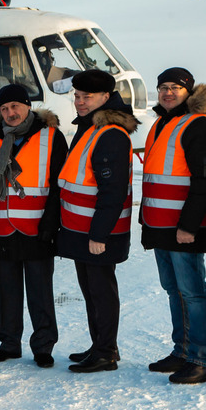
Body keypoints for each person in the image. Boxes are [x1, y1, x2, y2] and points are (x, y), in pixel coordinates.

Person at [0, 83, 68, 368]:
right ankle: (9, 343)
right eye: (5, 108)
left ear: (28, 106)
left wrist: (51, 222)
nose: (11, 113)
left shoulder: (51, 137)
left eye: (16, 107)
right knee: (6, 292)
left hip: (37, 228)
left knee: (40, 293)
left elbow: (60, 184)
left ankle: (43, 346)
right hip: (0, 228)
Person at [139, 68, 206, 384]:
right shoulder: (162, 123)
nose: (168, 93)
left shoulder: (200, 125)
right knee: (174, 290)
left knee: (193, 292)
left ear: (189, 92)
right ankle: (182, 351)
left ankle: (200, 360)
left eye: (175, 87)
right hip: (161, 224)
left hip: (184, 227)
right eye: (163, 87)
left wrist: (189, 226)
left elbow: (205, 181)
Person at [58, 69, 138, 373]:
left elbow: (113, 190)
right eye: (76, 96)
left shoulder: (111, 134)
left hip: (98, 232)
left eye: (85, 97)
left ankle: (105, 352)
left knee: (102, 291)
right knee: (91, 290)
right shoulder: (90, 127)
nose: (78, 102)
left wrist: (99, 234)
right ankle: (100, 345)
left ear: (105, 97)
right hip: (82, 229)